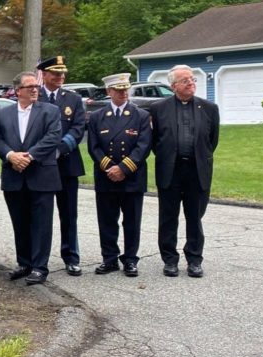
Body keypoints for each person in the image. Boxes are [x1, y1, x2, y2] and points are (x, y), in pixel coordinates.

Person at [149, 64, 220, 278]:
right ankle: (170, 260)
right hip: (171, 170)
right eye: (185, 80)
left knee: (194, 217)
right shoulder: (159, 109)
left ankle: (194, 260)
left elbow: (212, 141)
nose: (191, 83)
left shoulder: (209, 108)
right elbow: (155, 141)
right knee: (168, 218)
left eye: (192, 79)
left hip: (197, 170)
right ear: (173, 86)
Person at [0, 71, 62, 286]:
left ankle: (40, 268)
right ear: (17, 90)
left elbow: (53, 137)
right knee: (20, 222)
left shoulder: (50, 111)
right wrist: (10, 155)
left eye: (36, 86)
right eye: (29, 86)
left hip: (41, 175)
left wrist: (29, 156)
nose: (35, 90)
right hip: (14, 176)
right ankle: (24, 263)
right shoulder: (4, 114)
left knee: (41, 224)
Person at [87, 73, 152, 277]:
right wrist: (109, 168)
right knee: (107, 220)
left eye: (126, 89)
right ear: (109, 92)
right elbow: (93, 147)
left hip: (132, 177)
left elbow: (143, 146)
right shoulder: (97, 116)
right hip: (106, 177)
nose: (123, 93)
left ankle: (131, 260)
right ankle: (109, 259)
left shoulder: (141, 115)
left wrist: (123, 168)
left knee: (132, 221)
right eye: (118, 90)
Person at [37, 56, 87, 276]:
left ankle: (71, 257)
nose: (60, 77)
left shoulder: (73, 99)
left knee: (69, 214)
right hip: (40, 166)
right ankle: (39, 260)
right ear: (44, 74)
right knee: (40, 216)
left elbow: (78, 128)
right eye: (56, 73)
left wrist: (59, 148)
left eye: (63, 74)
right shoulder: (35, 96)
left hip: (67, 164)